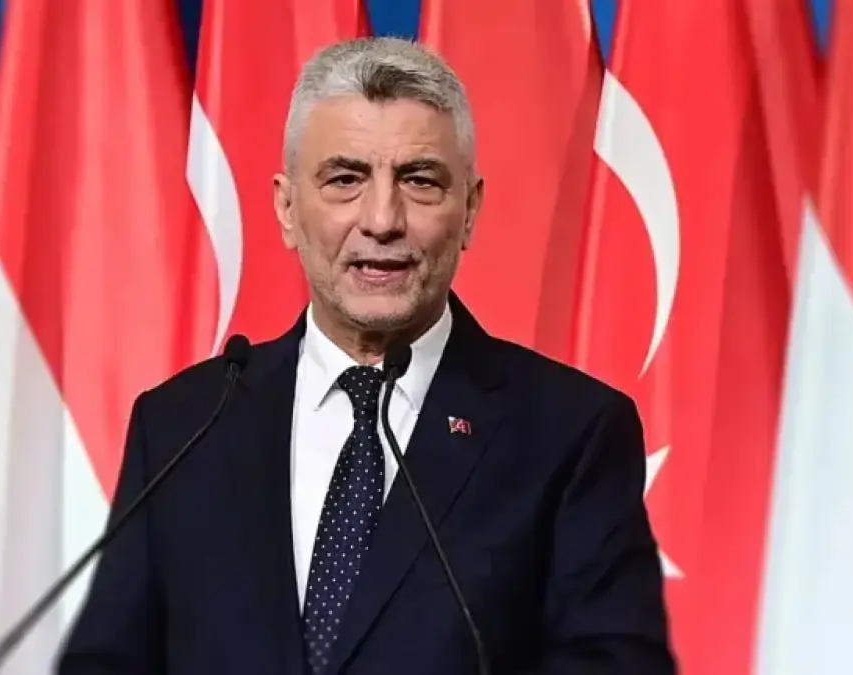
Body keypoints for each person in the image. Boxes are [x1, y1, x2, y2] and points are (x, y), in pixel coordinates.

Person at [57, 36, 675, 675]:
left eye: (420, 181)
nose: (382, 219)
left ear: (469, 211)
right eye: (345, 180)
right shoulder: (181, 426)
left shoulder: (572, 434)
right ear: (287, 208)